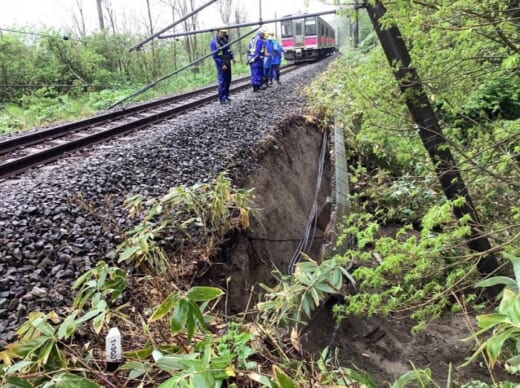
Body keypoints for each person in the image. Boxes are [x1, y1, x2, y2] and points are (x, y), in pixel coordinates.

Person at [210, 29, 234, 104]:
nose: (223, 34)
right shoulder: (214, 42)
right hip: (221, 63)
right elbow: (215, 56)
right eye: (222, 32)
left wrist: (232, 57)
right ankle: (222, 99)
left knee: (228, 80)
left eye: (224, 32)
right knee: (222, 81)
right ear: (218, 32)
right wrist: (222, 64)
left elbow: (228, 49)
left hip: (227, 61)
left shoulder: (225, 39)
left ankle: (226, 96)